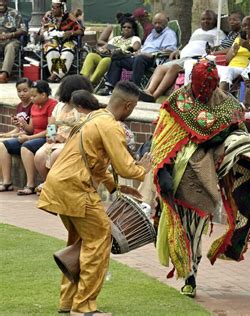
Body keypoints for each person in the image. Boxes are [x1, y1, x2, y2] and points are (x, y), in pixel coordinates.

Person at [150, 59, 250, 297]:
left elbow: (241, 127)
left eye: (210, 85)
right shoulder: (179, 100)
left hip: (213, 167)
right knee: (187, 226)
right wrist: (163, 170)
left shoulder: (227, 104)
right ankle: (189, 274)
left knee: (243, 145)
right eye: (201, 85)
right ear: (192, 82)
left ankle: (193, 271)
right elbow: (162, 137)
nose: (205, 90)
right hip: (180, 172)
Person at [37, 81, 152, 315]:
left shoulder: (93, 118)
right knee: (100, 240)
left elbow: (97, 166)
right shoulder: (110, 126)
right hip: (75, 188)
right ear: (129, 106)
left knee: (80, 242)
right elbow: (126, 167)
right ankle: (84, 307)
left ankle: (68, 302)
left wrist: (115, 188)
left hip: (60, 185)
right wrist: (144, 169)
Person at [139, 10, 225, 102]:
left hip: (198, 59)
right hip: (183, 57)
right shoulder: (197, 31)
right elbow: (191, 45)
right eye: (203, 19)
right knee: (160, 67)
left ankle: (154, 97)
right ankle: (148, 91)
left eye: (209, 19)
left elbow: (219, 50)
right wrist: (179, 51)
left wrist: (212, 51)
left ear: (215, 20)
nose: (205, 21)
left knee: (174, 68)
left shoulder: (218, 33)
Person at [34, 75, 93, 191]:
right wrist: (50, 136)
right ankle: (49, 183)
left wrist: (65, 139)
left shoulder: (83, 108)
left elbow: (85, 128)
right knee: (39, 155)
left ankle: (53, 185)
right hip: (56, 139)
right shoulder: (59, 106)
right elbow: (51, 124)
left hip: (73, 142)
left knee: (56, 155)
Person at [98, 13, 178, 96]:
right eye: (155, 23)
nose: (157, 25)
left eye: (160, 23)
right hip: (140, 57)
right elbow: (145, 47)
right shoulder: (152, 34)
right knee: (118, 57)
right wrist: (139, 51)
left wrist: (150, 54)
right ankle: (110, 87)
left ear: (165, 23)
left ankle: (133, 88)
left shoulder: (169, 34)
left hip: (154, 59)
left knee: (140, 58)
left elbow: (170, 50)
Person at [0, 80, 57, 194]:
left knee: (26, 147)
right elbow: (31, 128)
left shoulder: (53, 105)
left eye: (34, 96)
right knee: (3, 145)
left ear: (44, 94)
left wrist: (28, 138)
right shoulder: (34, 106)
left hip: (45, 138)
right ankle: (6, 182)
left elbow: (51, 130)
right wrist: (22, 125)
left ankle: (30, 184)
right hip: (33, 136)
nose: (32, 99)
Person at [80, 17, 141, 85]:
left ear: (133, 30)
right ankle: (83, 80)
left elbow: (136, 47)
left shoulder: (135, 38)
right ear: (121, 29)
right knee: (91, 55)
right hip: (106, 55)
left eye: (129, 27)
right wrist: (104, 50)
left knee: (105, 60)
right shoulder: (116, 38)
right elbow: (104, 47)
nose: (126, 29)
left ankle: (91, 82)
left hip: (116, 60)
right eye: (124, 27)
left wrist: (116, 49)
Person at [214, 16, 250, 91]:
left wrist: (249, 48)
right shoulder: (238, 40)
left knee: (228, 71)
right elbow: (227, 60)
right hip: (230, 67)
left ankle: (222, 98)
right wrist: (233, 51)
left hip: (244, 68)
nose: (247, 27)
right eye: (244, 25)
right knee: (207, 68)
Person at [40, 0, 84, 83]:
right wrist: (43, 33)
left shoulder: (70, 17)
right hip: (51, 40)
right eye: (52, 7)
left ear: (62, 7)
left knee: (67, 52)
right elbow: (42, 30)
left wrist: (71, 32)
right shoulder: (48, 15)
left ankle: (54, 75)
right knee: (51, 50)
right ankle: (57, 75)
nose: (53, 9)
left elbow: (81, 30)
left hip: (68, 40)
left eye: (55, 7)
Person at [0, 0, 27, 83]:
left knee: (10, 47)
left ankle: (4, 75)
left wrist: (11, 35)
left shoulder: (15, 13)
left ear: (7, 2)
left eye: (3, 1)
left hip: (11, 40)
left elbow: (23, 30)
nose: (1, 3)